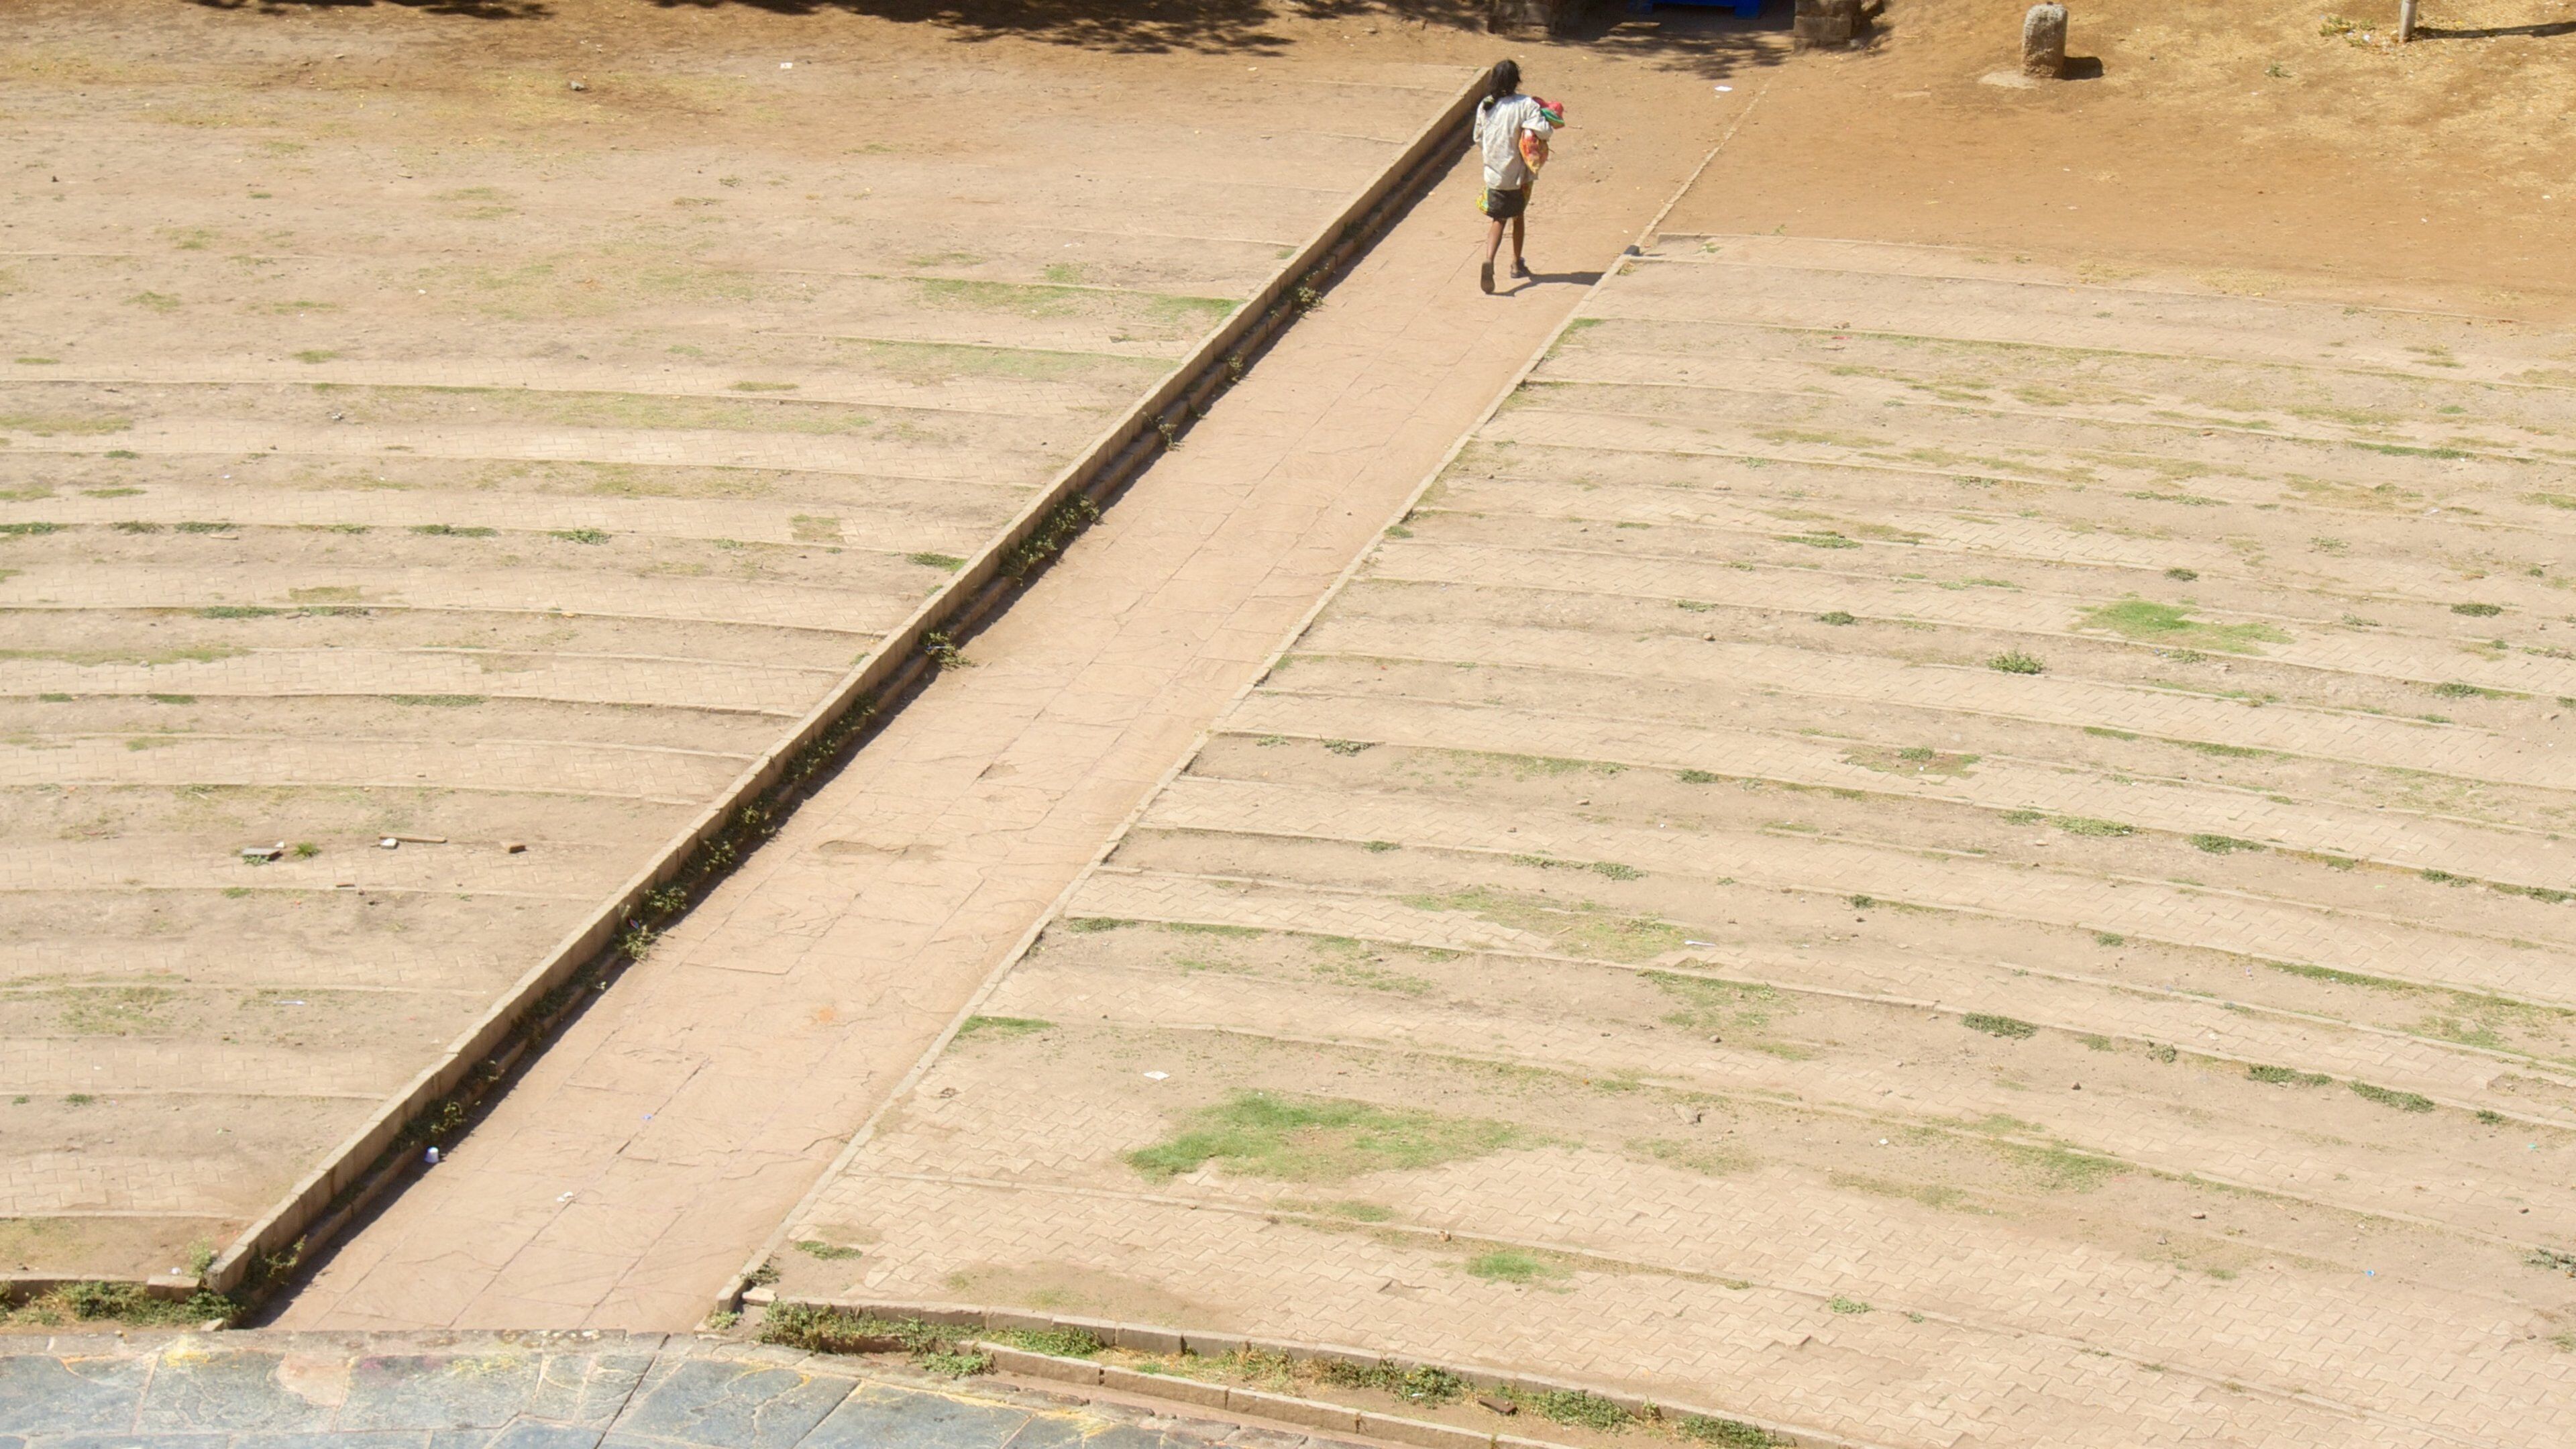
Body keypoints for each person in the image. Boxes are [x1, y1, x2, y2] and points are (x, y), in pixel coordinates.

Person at [1471, 60, 1556, 294]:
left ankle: (1500, 260)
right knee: (1514, 217)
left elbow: (1478, 138)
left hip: (1493, 174)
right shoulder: (1525, 105)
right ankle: (1511, 262)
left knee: (1500, 217)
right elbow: (1544, 131)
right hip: (1518, 176)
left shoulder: (1486, 105)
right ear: (1516, 80)